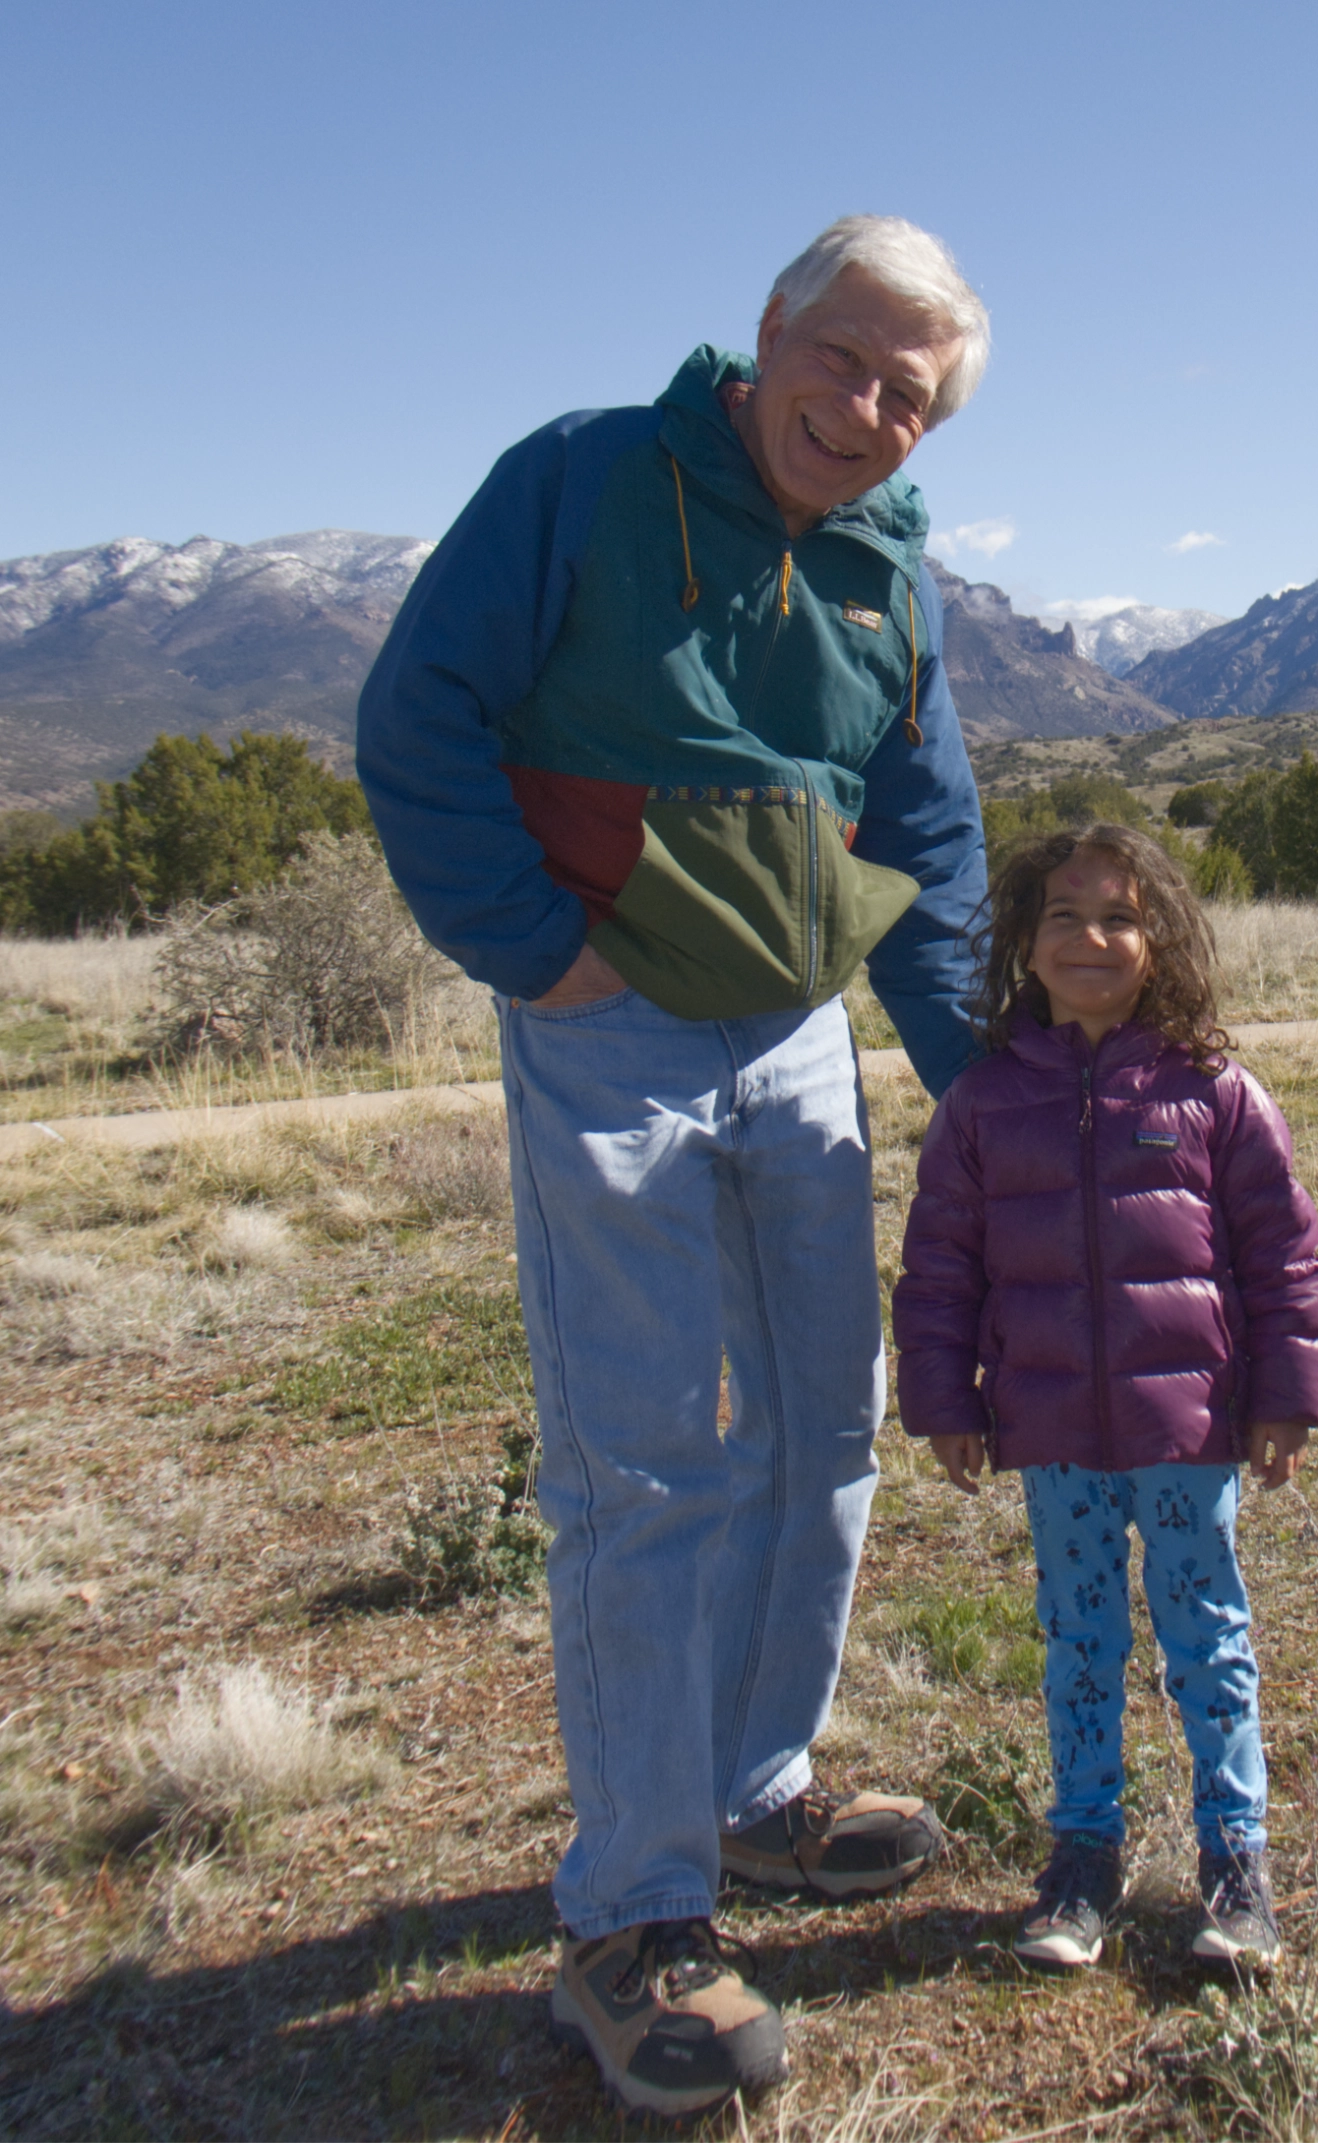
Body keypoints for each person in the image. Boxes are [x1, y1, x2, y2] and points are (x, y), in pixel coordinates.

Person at [357, 217, 991, 2118]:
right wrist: (535, 949)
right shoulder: (580, 478)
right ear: (774, 326)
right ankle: (632, 1916)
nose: (870, 411)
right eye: (853, 361)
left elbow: (932, 838)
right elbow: (419, 719)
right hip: (607, 1031)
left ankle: (755, 1789)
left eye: (913, 397)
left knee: (827, 1425)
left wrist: (981, 1086)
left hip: (797, 1032)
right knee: (645, 1463)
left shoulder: (894, 573)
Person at [891, 823, 1318, 1969]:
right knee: (1078, 1644)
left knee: (1207, 1640)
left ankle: (1237, 1867)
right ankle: (1082, 1860)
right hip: (1054, 1440)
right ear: (1023, 950)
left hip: (1186, 1437)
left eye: (1120, 916)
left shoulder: (1214, 1092)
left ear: (1162, 942)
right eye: (1062, 916)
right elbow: (940, 1264)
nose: (1092, 937)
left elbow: (1285, 1255)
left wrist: (1286, 1393)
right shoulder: (984, 1103)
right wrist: (945, 1398)